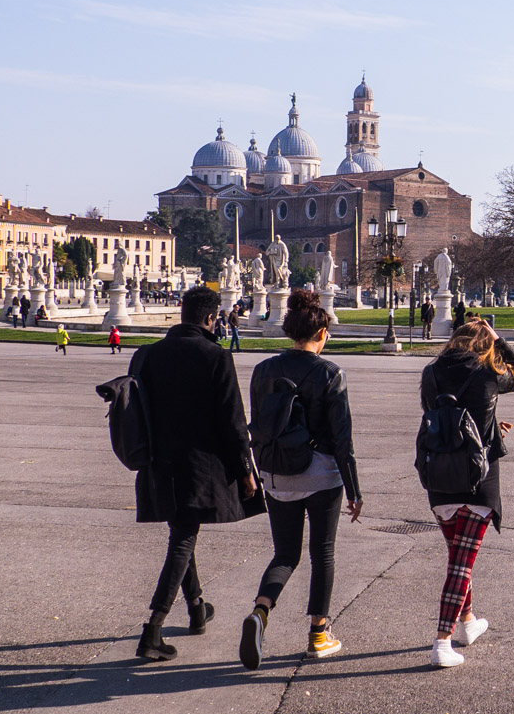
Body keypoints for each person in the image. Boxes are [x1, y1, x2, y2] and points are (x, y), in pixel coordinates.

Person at [129, 286, 258, 662]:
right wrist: (245, 471)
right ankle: (153, 630)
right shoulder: (216, 356)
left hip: (157, 464)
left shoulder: (146, 355)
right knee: (183, 540)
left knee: (181, 534)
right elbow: (234, 422)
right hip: (198, 468)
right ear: (211, 319)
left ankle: (197, 609)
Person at [240, 290, 363, 670]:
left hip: (277, 474)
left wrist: (254, 471)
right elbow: (342, 439)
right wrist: (354, 490)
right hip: (321, 474)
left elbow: (257, 427)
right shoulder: (330, 373)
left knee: (285, 554)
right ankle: (318, 634)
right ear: (322, 333)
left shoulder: (263, 370)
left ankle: (260, 611)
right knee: (322, 553)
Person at [418, 320, 514, 668]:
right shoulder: (489, 372)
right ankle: (442, 642)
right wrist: (500, 341)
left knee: (458, 557)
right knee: (460, 564)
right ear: (486, 344)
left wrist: (490, 425)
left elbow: (441, 418)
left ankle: (468, 623)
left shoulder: (430, 373)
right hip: (478, 477)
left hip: (439, 474)